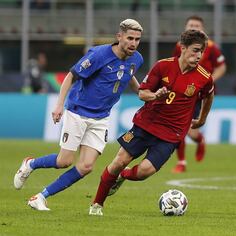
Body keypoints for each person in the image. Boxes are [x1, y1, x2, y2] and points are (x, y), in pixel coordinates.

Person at [13, 19, 144, 210]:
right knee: (64, 161)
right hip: (78, 112)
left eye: (137, 39)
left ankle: (40, 197)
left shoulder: (136, 58)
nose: (133, 43)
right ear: (119, 37)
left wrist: (141, 92)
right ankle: (31, 163)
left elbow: (128, 74)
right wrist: (59, 106)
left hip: (101, 117)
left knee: (86, 166)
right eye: (130, 38)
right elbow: (71, 76)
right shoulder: (99, 54)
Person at [89, 29, 214, 216]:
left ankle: (123, 176)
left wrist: (202, 119)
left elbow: (209, 95)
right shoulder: (162, 66)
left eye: (201, 52)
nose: (199, 56)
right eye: (195, 50)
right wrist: (155, 95)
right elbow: (142, 93)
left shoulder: (204, 77)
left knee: (144, 172)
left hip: (172, 134)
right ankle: (97, 205)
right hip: (146, 124)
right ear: (183, 48)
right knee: (118, 162)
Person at [172, 15, 226, 173]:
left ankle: (199, 140)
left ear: (202, 29)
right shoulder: (179, 46)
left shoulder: (211, 47)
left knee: (191, 131)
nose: (193, 27)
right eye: (191, 25)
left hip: (201, 94)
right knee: (179, 126)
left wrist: (208, 81)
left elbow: (222, 67)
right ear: (185, 27)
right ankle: (181, 162)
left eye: (197, 25)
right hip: (183, 91)